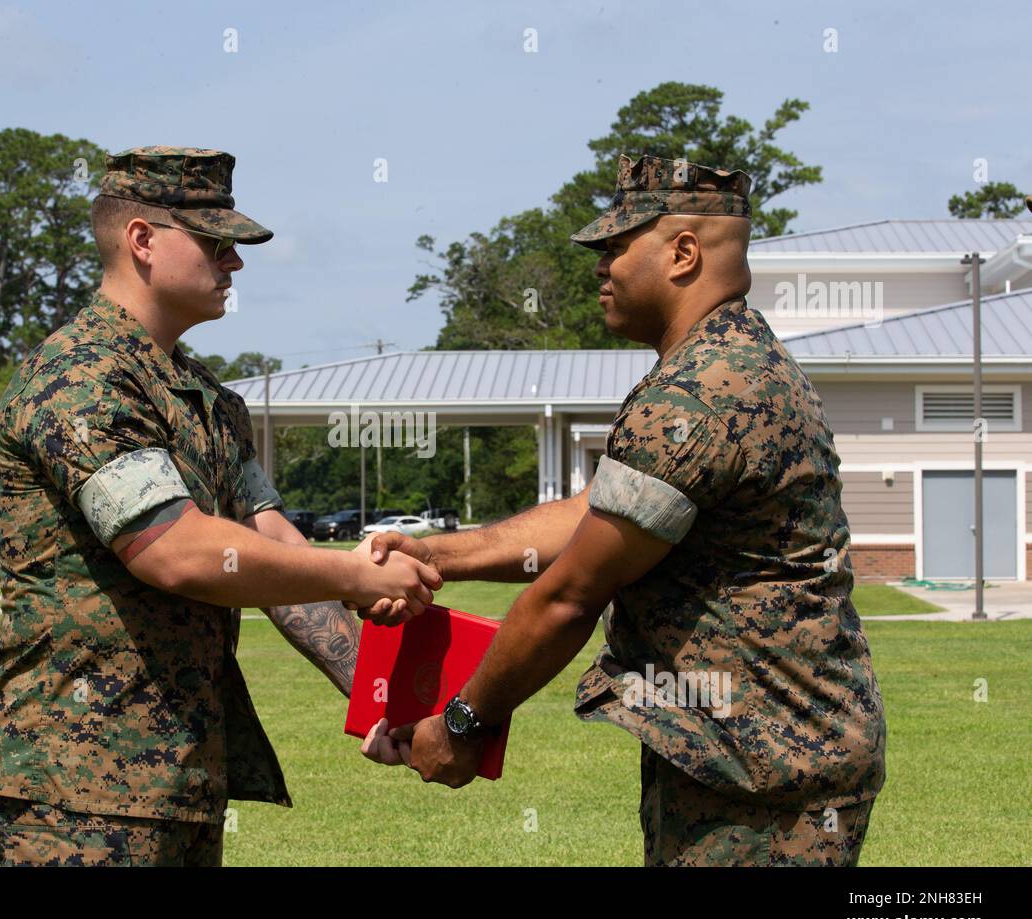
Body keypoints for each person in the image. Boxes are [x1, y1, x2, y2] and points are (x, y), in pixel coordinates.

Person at [360, 154, 887, 867]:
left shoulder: (699, 394)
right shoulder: (728, 362)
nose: (600, 266)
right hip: (762, 753)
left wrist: (461, 724)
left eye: (616, 246)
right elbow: (600, 515)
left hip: (760, 777)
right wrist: (440, 556)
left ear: (683, 253)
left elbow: (572, 594)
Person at [0, 145, 440, 866]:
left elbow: (280, 559)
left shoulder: (208, 399)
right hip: (71, 785)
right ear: (143, 241)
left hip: (180, 772)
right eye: (216, 243)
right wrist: (356, 575)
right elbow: (177, 551)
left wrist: (378, 695)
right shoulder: (80, 380)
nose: (234, 263)